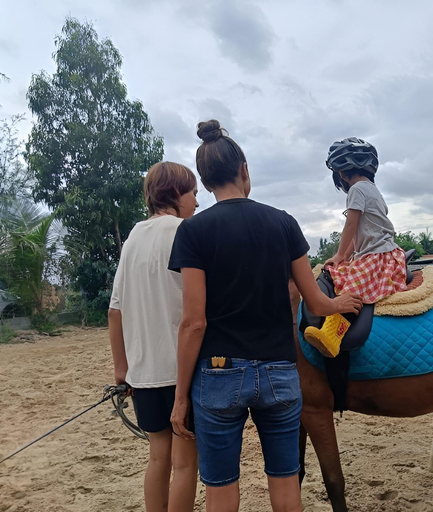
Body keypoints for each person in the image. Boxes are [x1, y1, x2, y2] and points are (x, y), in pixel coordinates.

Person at [168, 120, 362, 512]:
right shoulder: (284, 223)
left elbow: (194, 322)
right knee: (286, 485)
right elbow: (315, 302)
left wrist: (179, 397)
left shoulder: (193, 231)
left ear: (205, 184)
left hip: (218, 375)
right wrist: (342, 304)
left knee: (221, 490)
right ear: (244, 170)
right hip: (278, 372)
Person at [108, 161, 200, 512]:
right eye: (192, 192)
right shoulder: (186, 232)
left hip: (143, 373)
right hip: (181, 372)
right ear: (175, 192)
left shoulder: (132, 238)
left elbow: (115, 311)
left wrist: (122, 369)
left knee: (157, 459)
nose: (196, 200)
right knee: (185, 463)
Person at [303, 137, 408, 358]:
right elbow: (357, 232)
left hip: (377, 255)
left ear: (341, 172)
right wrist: (342, 257)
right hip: (383, 252)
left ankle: (332, 336)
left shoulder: (357, 190)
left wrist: (340, 255)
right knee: (342, 271)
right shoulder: (372, 189)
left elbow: (350, 225)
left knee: (349, 290)